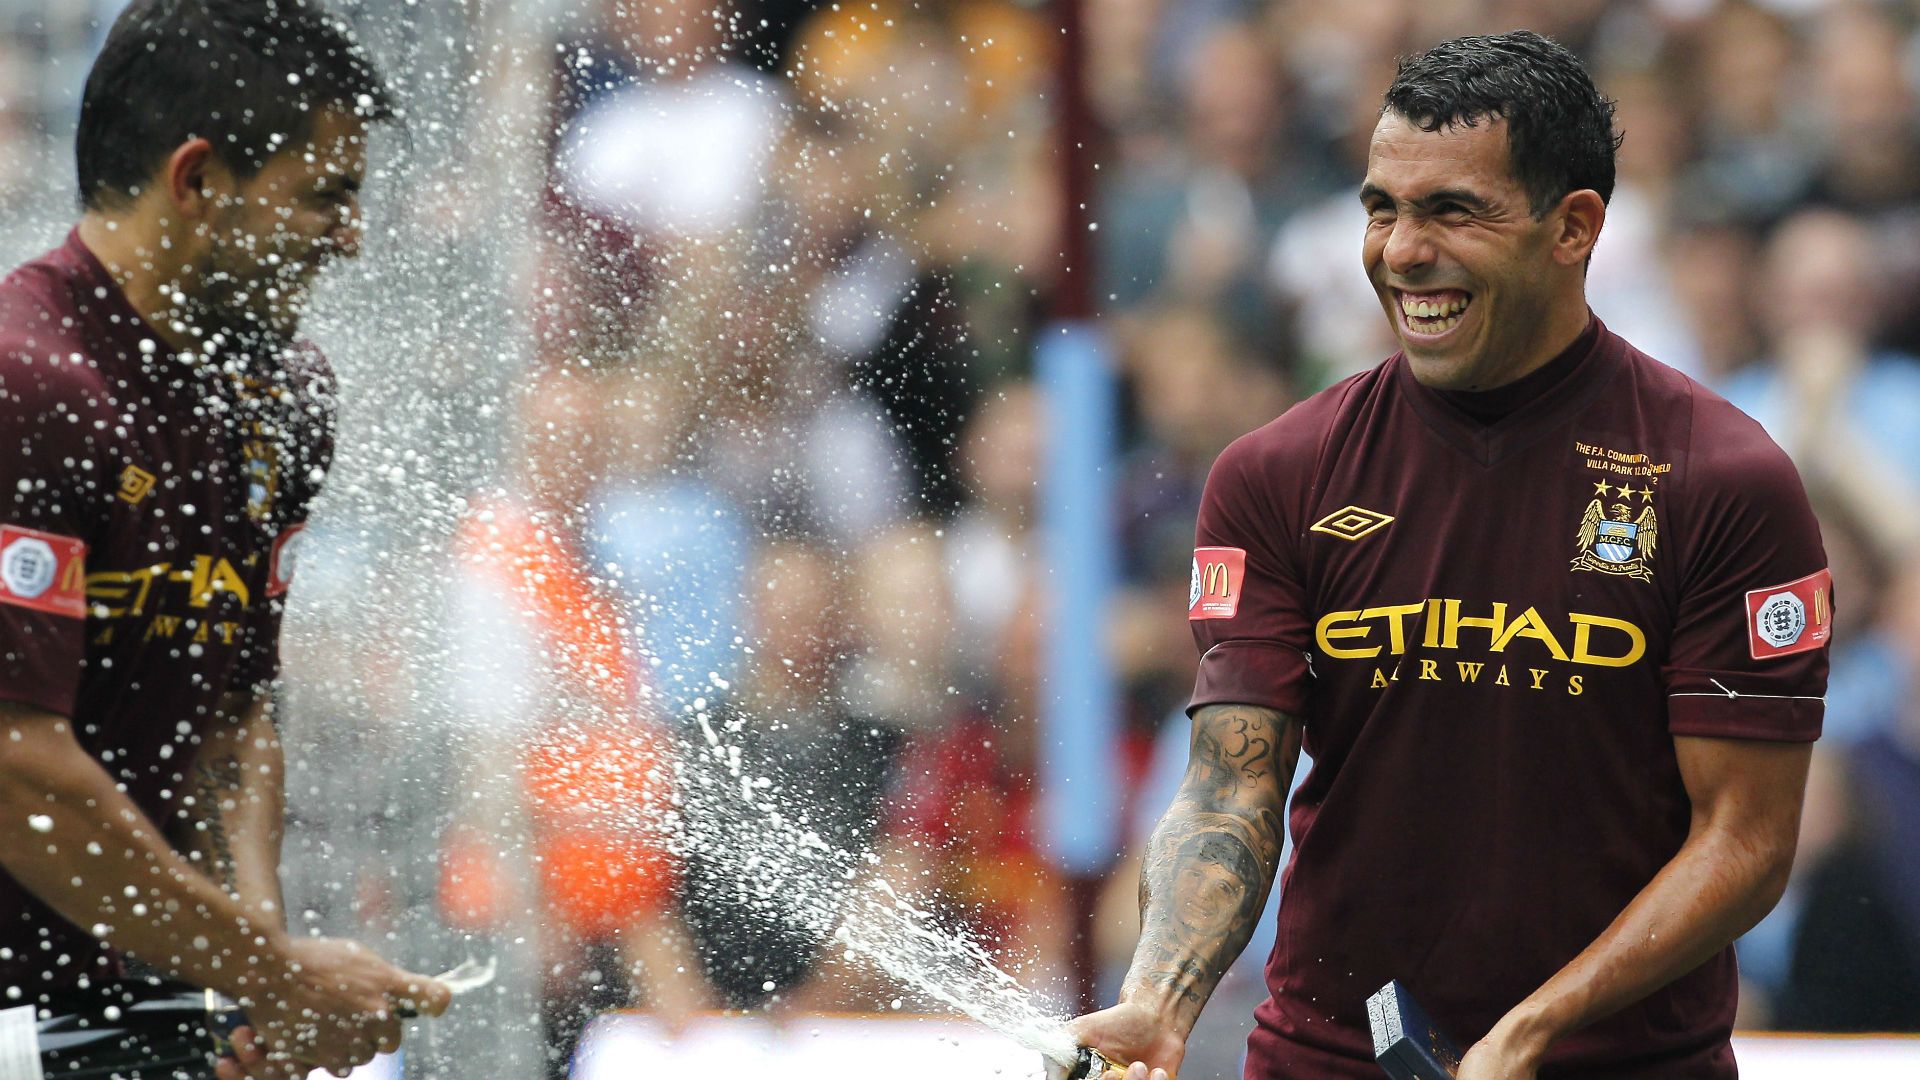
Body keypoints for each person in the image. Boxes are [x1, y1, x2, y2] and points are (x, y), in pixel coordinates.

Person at [1066, 31, 1829, 1080]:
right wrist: (1159, 998)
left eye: (1452, 211)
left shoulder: (1722, 477)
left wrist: (1533, 1029)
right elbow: (1230, 788)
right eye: (1382, 208)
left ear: (1575, 227)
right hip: (1328, 1061)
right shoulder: (1277, 473)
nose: (1402, 250)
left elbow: (1745, 840)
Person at [0, 3, 450, 1078]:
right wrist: (281, 973)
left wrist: (255, 991)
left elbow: (232, 713)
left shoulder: (281, 396)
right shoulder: (29, 379)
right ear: (196, 179)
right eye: (325, 196)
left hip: (158, 1012)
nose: (350, 236)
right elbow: (17, 774)